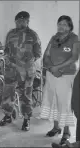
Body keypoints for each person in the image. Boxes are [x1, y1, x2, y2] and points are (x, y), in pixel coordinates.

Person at [0, 11, 42, 131]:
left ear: (27, 21)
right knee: (7, 94)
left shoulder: (33, 35)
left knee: (26, 96)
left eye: (23, 20)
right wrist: (7, 59)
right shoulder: (10, 34)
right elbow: (6, 50)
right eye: (18, 21)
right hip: (11, 70)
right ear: (15, 21)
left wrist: (24, 64)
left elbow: (38, 54)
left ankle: (26, 119)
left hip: (26, 72)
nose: (20, 22)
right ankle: (7, 116)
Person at [40, 15, 79, 145]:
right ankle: (56, 128)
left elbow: (74, 57)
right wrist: (51, 68)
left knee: (65, 104)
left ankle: (66, 132)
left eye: (64, 24)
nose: (61, 26)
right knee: (53, 102)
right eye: (59, 23)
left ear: (69, 26)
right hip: (52, 74)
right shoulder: (54, 37)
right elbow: (46, 55)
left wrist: (58, 68)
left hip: (66, 75)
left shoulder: (74, 38)